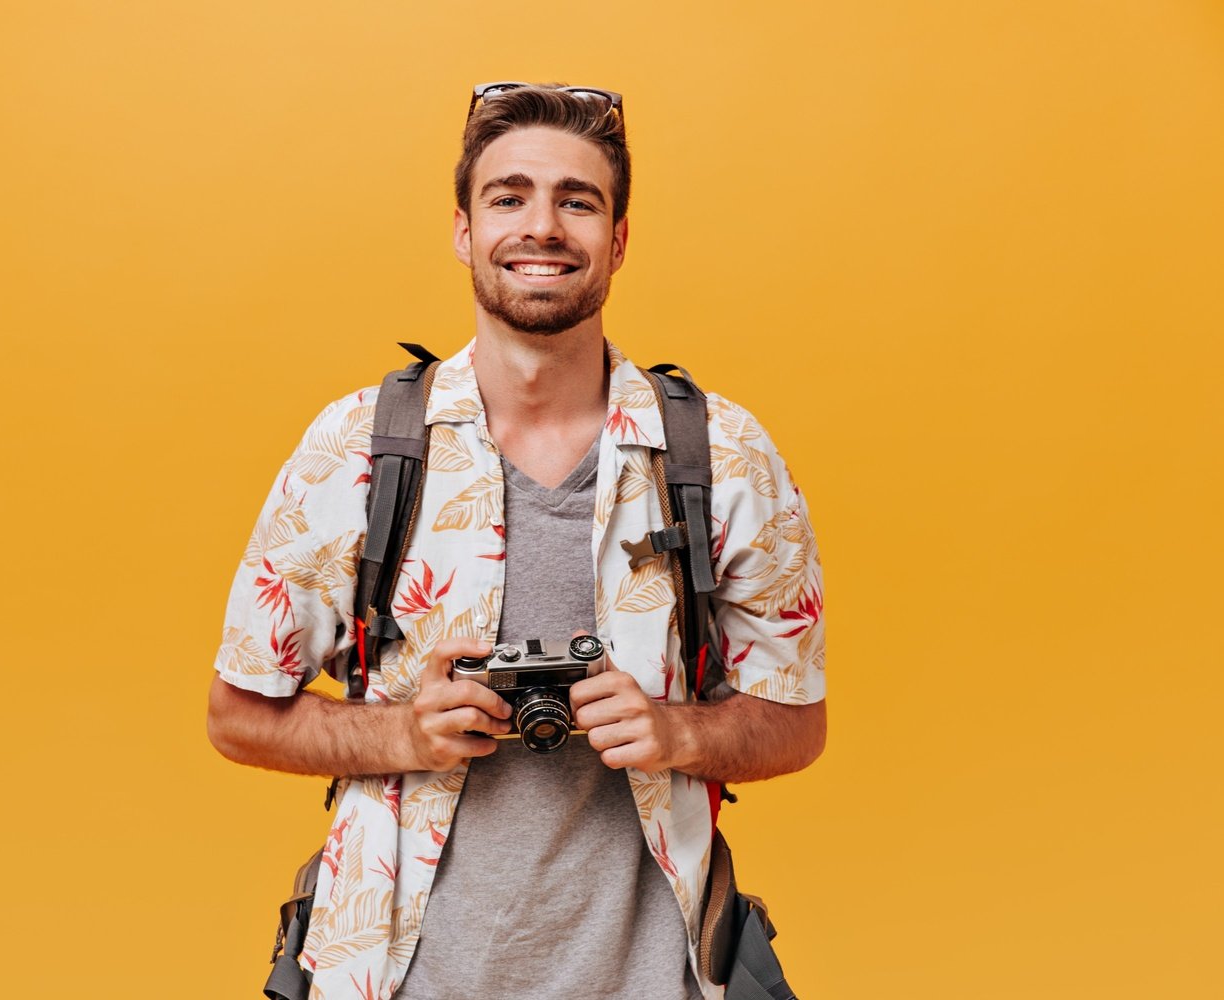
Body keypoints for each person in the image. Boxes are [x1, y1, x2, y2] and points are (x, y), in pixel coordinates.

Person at [207, 83, 826, 1000]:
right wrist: (405, 731)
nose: (542, 226)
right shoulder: (358, 451)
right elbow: (237, 715)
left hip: (656, 975)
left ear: (617, 239)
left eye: (577, 200)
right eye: (510, 196)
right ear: (464, 229)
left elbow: (797, 723)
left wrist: (671, 730)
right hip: (393, 974)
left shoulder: (724, 457)